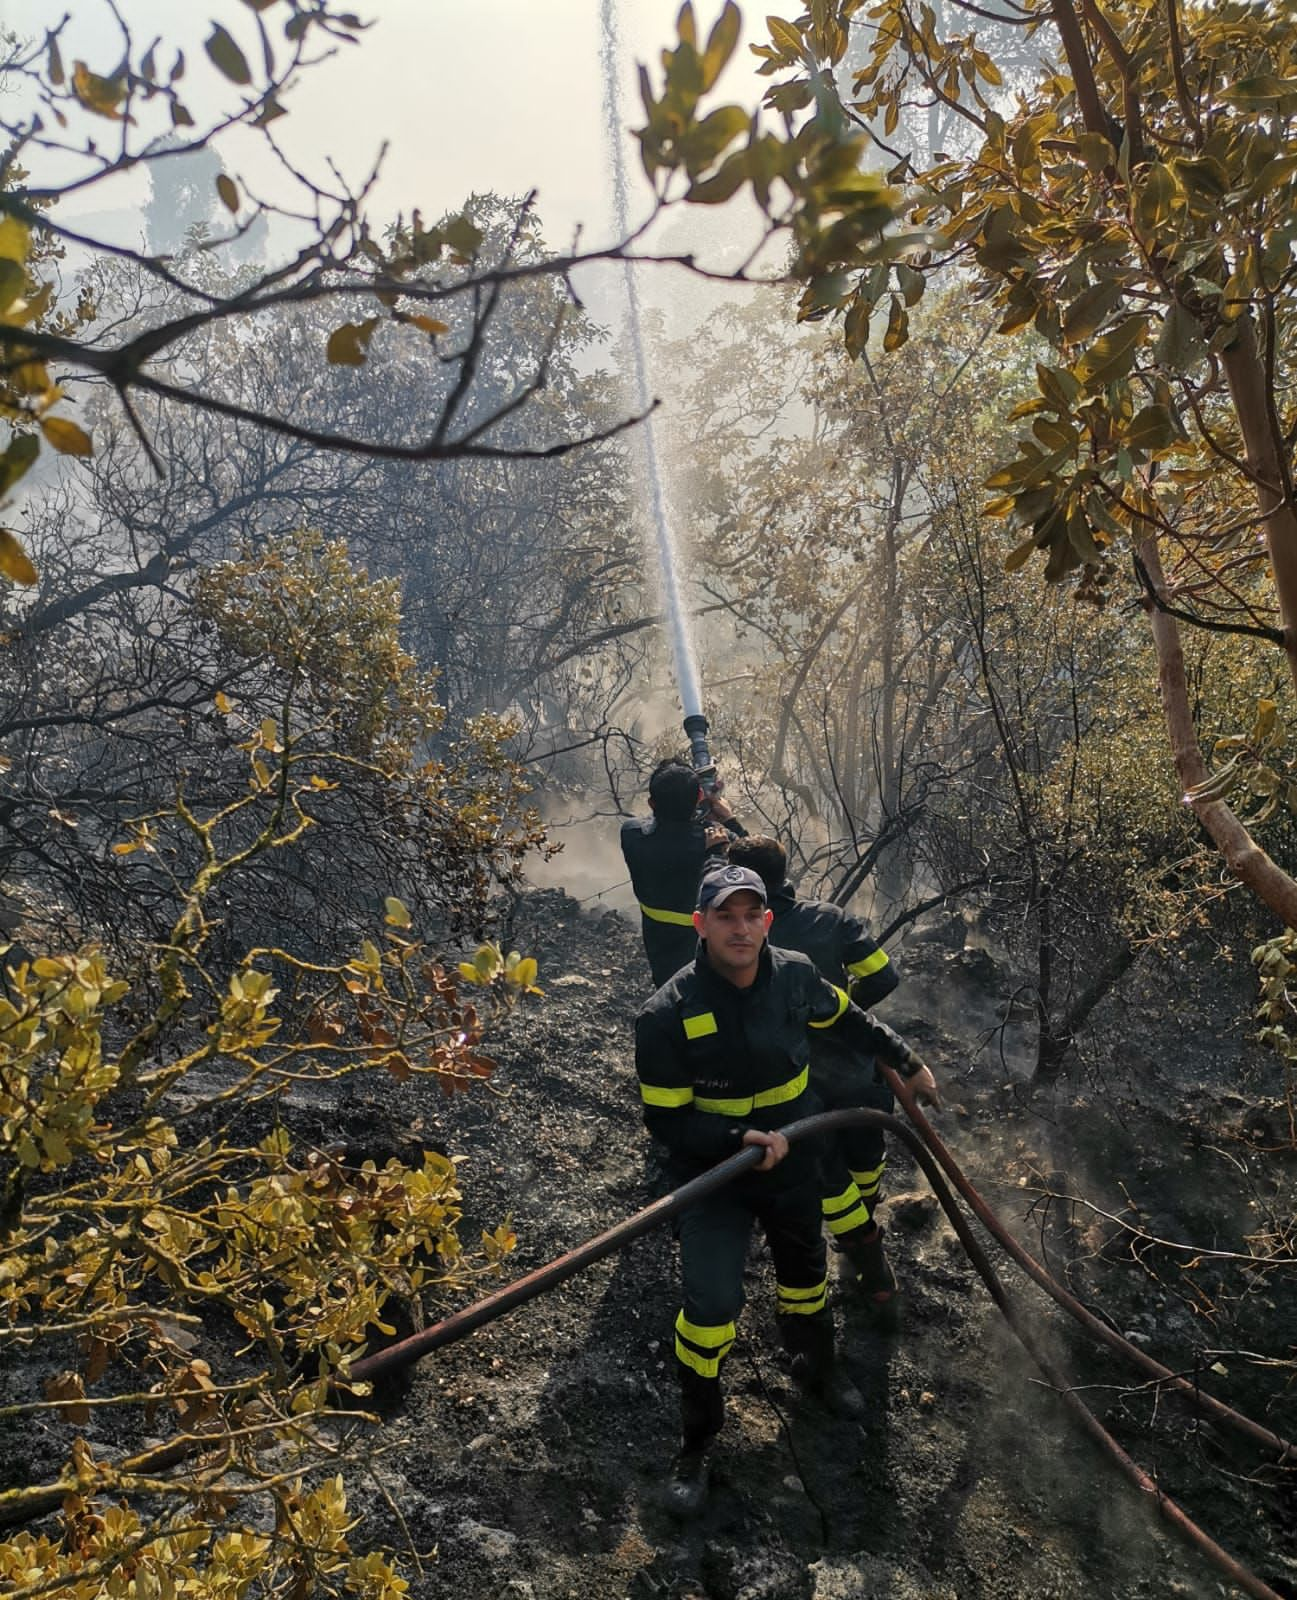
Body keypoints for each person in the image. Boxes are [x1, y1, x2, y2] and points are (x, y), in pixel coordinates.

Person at [634, 862, 940, 1515]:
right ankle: (698, 1440)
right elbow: (665, 1120)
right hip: (712, 1179)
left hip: (796, 1160)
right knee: (711, 1308)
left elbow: (851, 1018)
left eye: (752, 915)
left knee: (804, 1279)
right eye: (725, 915)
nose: (740, 929)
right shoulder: (664, 1014)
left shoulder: (797, 974)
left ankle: (817, 1370)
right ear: (701, 923)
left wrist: (908, 1062)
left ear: (767, 921)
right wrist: (732, 1144)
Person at [725, 834, 922, 1312]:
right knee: (865, 1160)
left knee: (829, 1179)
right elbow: (883, 975)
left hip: (794, 1083)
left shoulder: (741, 939)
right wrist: (845, 1016)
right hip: (856, 1071)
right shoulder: (830, 920)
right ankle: (869, 1258)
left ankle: (867, 1260)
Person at [620, 758, 746, 988]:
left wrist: (692, 809)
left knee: (672, 992)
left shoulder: (631, 834)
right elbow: (760, 860)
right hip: (705, 942)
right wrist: (729, 820)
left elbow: (654, 824)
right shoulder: (717, 839)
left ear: (651, 803)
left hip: (658, 939)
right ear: (699, 796)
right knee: (708, 994)